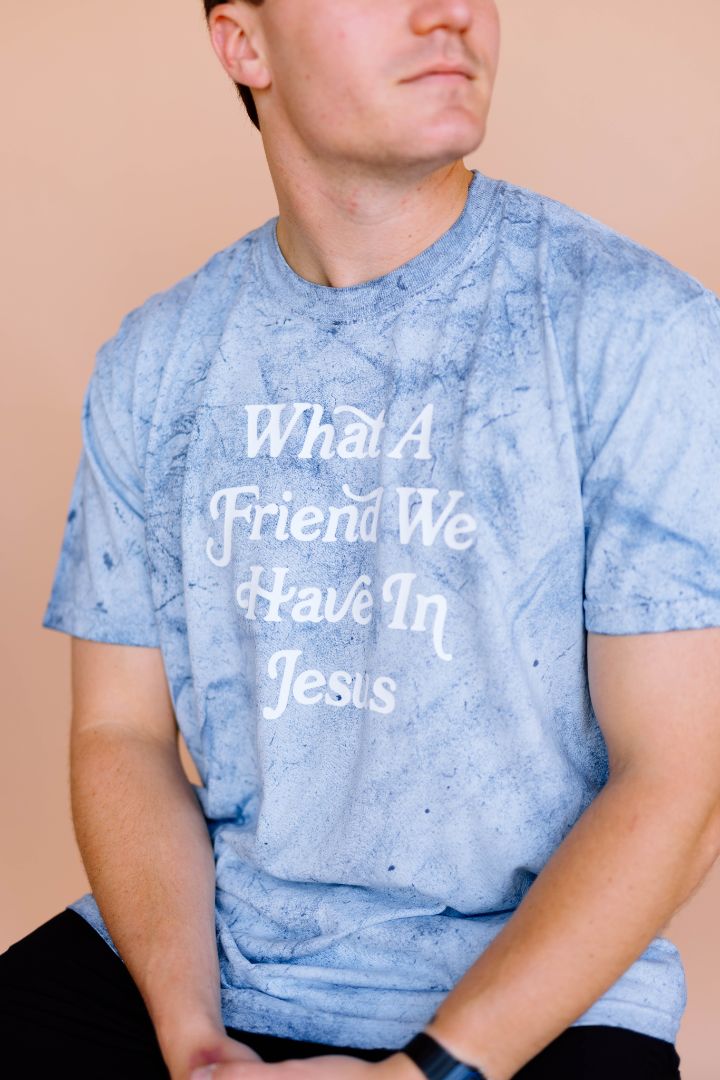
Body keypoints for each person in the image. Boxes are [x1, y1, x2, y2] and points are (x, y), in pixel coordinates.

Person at [2, 1, 719, 1077]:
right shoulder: (157, 360)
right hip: (217, 960)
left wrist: (427, 1072)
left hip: (543, 1003)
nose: (453, 14)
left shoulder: (639, 330)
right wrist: (195, 1045)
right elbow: (121, 735)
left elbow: (681, 781)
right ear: (245, 45)